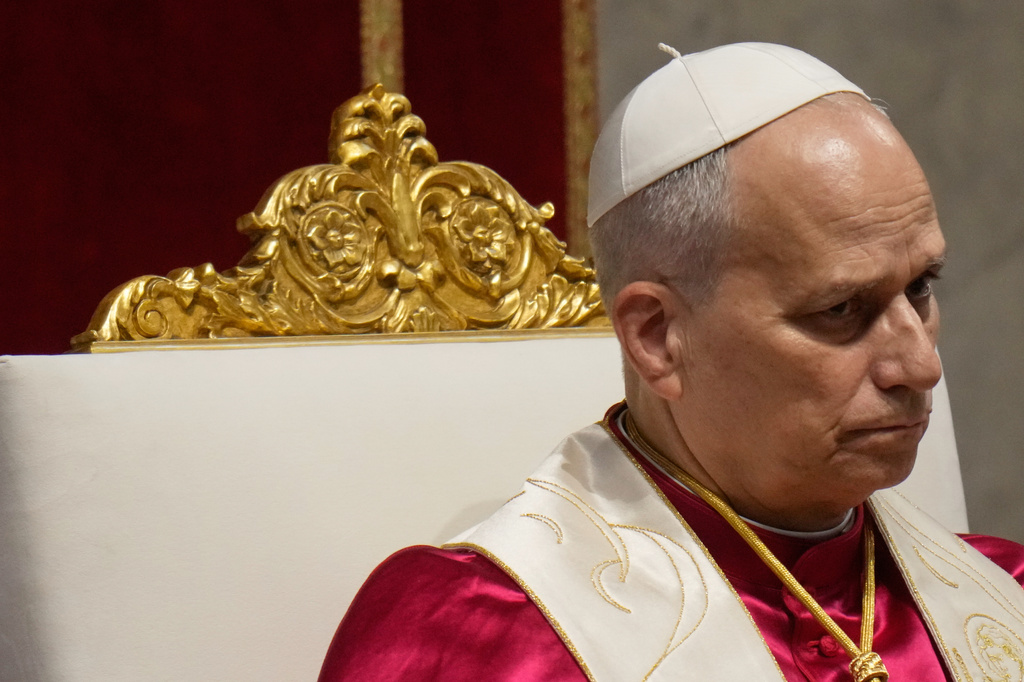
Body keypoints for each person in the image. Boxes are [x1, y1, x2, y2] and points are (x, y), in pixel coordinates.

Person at [318, 43, 1024, 681]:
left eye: (921, 287)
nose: (921, 366)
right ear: (658, 338)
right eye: (840, 309)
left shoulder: (1007, 590)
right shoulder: (474, 638)